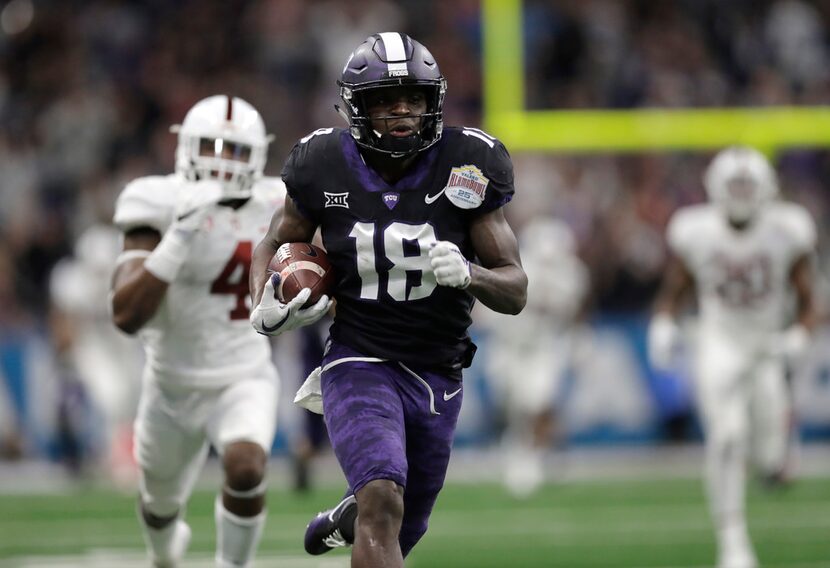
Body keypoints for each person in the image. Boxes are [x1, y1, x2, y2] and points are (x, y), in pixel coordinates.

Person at [249, 32, 527, 567]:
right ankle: (366, 507)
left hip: (437, 371)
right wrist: (266, 301)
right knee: (383, 499)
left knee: (400, 528)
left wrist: (469, 274)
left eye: (414, 99)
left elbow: (515, 289)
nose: (403, 111)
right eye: (385, 100)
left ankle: (346, 518)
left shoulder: (468, 163)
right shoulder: (321, 162)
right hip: (359, 355)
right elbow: (275, 240)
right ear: (358, 107)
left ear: (434, 102)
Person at [110, 95, 285, 568]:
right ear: (185, 147)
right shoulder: (157, 201)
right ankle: (164, 554)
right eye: (210, 147)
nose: (221, 161)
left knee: (247, 465)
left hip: (243, 374)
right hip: (170, 383)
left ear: (258, 158)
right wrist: (180, 236)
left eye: (234, 151)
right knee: (160, 505)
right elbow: (126, 315)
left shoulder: (278, 202)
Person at [647, 146, 818, 568]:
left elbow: (812, 299)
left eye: (748, 184)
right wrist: (664, 322)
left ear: (767, 189)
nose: (741, 193)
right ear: (715, 189)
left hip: (766, 347)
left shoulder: (787, 228)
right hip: (718, 340)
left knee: (770, 464)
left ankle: (780, 441)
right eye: (734, 184)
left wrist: (800, 332)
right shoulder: (696, 230)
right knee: (726, 436)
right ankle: (733, 541)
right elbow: (676, 287)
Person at [480, 216, 589, 498]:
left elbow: (575, 312)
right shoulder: (517, 267)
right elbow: (489, 307)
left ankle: (532, 461)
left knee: (542, 400)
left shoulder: (573, 275)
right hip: (509, 346)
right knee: (513, 406)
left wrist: (578, 341)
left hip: (544, 346)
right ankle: (518, 450)